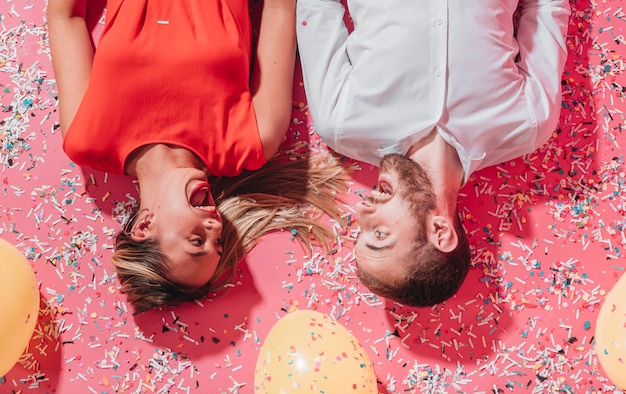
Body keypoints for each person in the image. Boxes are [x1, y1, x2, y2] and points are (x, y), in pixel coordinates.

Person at [48, 0, 349, 313]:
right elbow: (279, 8)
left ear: (143, 228)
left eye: (196, 242)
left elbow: (65, 18)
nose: (216, 230)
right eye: (217, 245)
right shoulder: (252, 141)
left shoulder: (87, 140)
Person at [296, 0, 571, 306]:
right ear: (440, 231)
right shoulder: (528, 123)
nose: (363, 210)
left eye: (362, 229)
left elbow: (317, 5)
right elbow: (547, 6)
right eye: (380, 233)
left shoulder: (340, 122)